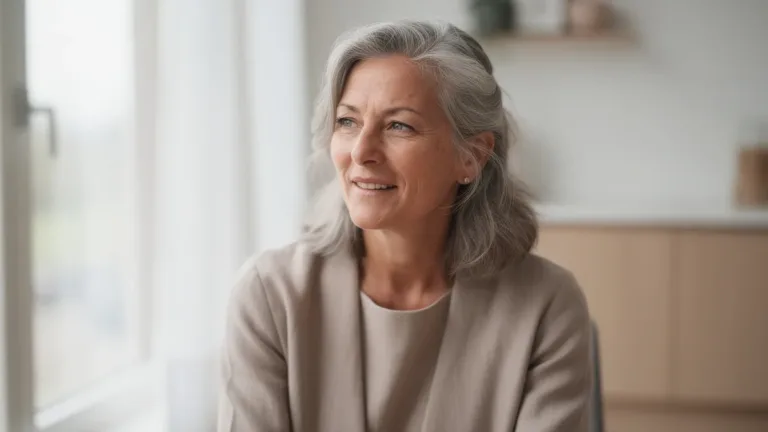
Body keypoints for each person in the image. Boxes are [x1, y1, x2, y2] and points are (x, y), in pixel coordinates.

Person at [217, 20, 593, 432]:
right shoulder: (268, 297)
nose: (361, 151)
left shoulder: (547, 306)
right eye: (347, 121)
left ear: (471, 156)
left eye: (399, 125)